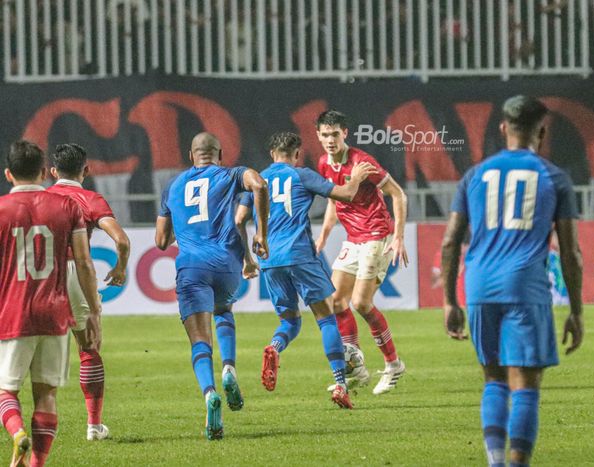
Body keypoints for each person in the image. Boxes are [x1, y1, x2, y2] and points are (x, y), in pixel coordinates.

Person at [441, 95, 584, 467]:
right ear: (542, 130)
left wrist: (449, 302)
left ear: (503, 127)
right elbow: (570, 253)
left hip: (479, 287)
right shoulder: (554, 177)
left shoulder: (474, 176)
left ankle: (495, 462)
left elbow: (450, 240)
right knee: (525, 385)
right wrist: (576, 311)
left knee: (493, 379)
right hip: (525, 286)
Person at [236, 132, 378, 409]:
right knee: (326, 318)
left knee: (290, 322)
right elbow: (346, 195)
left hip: (269, 259)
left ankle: (274, 348)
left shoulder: (255, 179)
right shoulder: (302, 175)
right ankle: (340, 383)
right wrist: (358, 176)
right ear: (297, 154)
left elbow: (239, 219)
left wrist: (247, 259)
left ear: (271, 154)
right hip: (299, 254)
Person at [155, 132, 268, 441]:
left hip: (192, 267)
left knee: (199, 340)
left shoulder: (173, 186)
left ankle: (209, 395)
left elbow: (161, 241)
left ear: (191, 156)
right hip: (228, 266)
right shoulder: (231, 173)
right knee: (224, 309)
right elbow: (259, 184)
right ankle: (229, 368)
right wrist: (261, 236)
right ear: (220, 154)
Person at [0, 140, 101, 467]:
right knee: (46, 396)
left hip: (13, 313)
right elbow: (84, 263)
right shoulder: (67, 207)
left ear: (8, 174)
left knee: (6, 392)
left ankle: (17, 434)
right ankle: (37, 465)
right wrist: (94, 311)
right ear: (44, 172)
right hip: (56, 314)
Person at [315, 110, 410, 395]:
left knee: (361, 303)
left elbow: (398, 194)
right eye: (324, 135)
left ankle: (393, 364)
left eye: (335, 134)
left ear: (345, 133)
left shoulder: (363, 162)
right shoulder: (323, 163)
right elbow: (335, 199)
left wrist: (399, 237)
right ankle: (356, 366)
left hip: (377, 235)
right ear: (318, 136)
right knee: (335, 301)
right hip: (353, 238)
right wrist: (323, 235)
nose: (330, 140)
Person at [46, 143, 131, 441]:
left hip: (39, 276)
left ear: (53, 172)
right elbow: (121, 240)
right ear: (86, 170)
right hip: (74, 273)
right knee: (89, 347)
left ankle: (23, 422)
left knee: (34, 352)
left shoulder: (40, 198)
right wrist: (120, 268)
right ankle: (93, 426)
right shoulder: (89, 199)